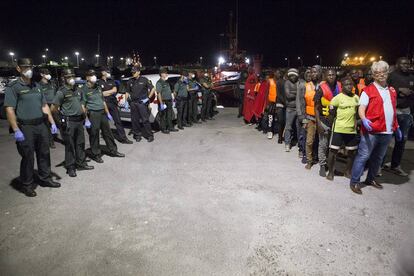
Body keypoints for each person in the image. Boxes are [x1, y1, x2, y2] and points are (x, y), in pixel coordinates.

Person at [4, 58, 60, 197]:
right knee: (28, 156)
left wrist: (52, 122)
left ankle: (45, 178)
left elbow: (44, 106)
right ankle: (27, 184)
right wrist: (16, 129)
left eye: (30, 67)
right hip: (25, 127)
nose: (28, 69)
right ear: (18, 69)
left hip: (41, 124)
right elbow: (10, 109)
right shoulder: (14, 87)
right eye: (25, 67)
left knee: (44, 153)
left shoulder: (37, 86)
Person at [350, 60, 401, 194]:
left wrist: (396, 126)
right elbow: (361, 108)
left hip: (387, 131)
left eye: (383, 72)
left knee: (378, 158)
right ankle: (354, 181)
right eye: (377, 73)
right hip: (372, 130)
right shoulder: (368, 90)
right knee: (363, 156)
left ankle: (370, 179)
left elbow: (393, 110)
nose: (381, 75)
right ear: (373, 75)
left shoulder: (391, 90)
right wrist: (364, 119)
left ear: (387, 73)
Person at [52, 69, 94, 177]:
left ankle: (81, 163)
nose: (71, 78)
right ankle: (70, 167)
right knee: (70, 145)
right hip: (69, 122)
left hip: (79, 121)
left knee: (80, 143)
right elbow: (53, 108)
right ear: (64, 78)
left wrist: (86, 119)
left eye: (73, 76)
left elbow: (82, 105)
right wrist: (59, 122)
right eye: (68, 77)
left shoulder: (78, 90)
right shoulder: (61, 92)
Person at [81, 69, 125, 163]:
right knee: (94, 134)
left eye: (94, 75)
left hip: (102, 113)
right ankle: (96, 154)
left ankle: (113, 150)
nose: (94, 77)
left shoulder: (98, 87)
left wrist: (108, 113)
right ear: (87, 78)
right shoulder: (84, 89)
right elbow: (83, 106)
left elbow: (103, 100)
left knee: (107, 132)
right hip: (93, 114)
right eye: (91, 75)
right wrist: (86, 119)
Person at [383, 57, 414, 176]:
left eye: (408, 63)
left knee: (402, 140)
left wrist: (410, 92)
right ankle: (379, 165)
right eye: (403, 63)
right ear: (397, 64)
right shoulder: (391, 76)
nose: (406, 65)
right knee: (386, 139)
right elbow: (384, 89)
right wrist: (399, 90)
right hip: (392, 111)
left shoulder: (412, 77)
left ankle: (395, 165)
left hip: (406, 112)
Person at [326, 76, 359, 180]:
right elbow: (331, 114)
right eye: (346, 84)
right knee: (333, 152)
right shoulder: (337, 98)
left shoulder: (356, 98)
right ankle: (331, 172)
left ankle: (348, 172)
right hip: (338, 129)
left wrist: (356, 124)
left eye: (351, 84)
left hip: (351, 130)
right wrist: (331, 127)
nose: (349, 86)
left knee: (351, 152)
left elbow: (357, 113)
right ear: (342, 86)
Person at [314, 69, 341, 177]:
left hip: (338, 121)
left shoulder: (340, 86)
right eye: (329, 75)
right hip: (324, 120)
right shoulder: (321, 88)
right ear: (325, 76)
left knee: (334, 147)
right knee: (323, 144)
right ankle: (322, 165)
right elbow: (316, 108)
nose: (331, 76)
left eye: (333, 74)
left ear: (336, 75)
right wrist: (318, 123)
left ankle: (331, 167)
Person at [98, 67, 132, 144]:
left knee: (118, 121)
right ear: (103, 72)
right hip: (104, 104)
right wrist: (110, 92)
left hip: (112, 103)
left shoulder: (111, 81)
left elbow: (115, 90)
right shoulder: (99, 82)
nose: (109, 73)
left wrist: (105, 93)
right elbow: (100, 94)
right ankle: (107, 139)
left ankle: (123, 138)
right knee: (104, 123)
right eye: (107, 71)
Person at [126, 65, 155, 142]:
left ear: (139, 72)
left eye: (134, 72)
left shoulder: (144, 80)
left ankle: (150, 135)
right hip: (133, 103)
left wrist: (148, 98)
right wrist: (126, 101)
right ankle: (137, 135)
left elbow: (152, 89)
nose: (133, 74)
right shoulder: (130, 80)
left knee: (145, 120)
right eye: (132, 72)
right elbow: (127, 92)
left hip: (142, 103)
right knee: (135, 120)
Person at [303, 66, 321, 169]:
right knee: (309, 141)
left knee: (321, 141)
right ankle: (309, 160)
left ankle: (320, 158)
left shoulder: (323, 85)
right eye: (312, 72)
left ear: (319, 73)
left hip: (322, 117)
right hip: (310, 117)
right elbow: (302, 104)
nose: (314, 74)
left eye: (316, 72)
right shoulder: (306, 86)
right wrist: (304, 119)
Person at [284, 68, 305, 152]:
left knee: (299, 128)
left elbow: (303, 94)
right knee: (288, 127)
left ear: (297, 75)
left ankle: (300, 146)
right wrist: (298, 93)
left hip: (299, 108)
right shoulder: (287, 83)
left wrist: (294, 93)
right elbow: (288, 95)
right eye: (290, 76)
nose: (292, 77)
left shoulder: (300, 82)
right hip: (290, 108)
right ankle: (287, 143)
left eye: (294, 75)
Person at [36, 68, 57, 148]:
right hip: (45, 107)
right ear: (42, 74)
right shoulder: (39, 85)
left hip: (54, 106)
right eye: (46, 73)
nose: (48, 74)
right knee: (47, 125)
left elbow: (56, 94)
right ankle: (51, 141)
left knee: (60, 123)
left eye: (49, 73)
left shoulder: (52, 83)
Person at [157, 67, 178, 133]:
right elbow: (159, 94)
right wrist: (161, 103)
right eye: (165, 73)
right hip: (163, 101)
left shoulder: (166, 82)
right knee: (163, 116)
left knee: (169, 115)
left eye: (166, 73)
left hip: (169, 101)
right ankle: (164, 129)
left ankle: (170, 127)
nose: (166, 74)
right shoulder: (159, 82)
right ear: (161, 74)